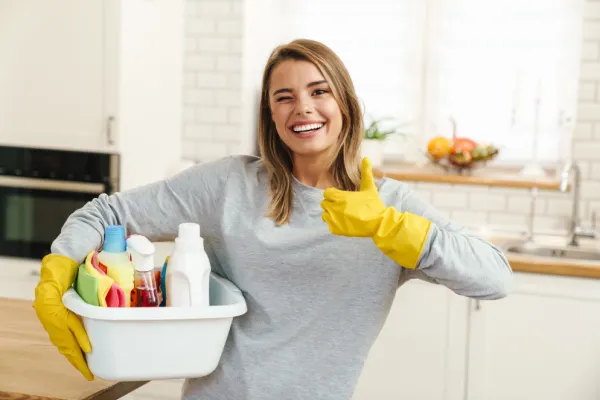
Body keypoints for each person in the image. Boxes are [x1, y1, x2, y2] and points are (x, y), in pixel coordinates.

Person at [33, 39, 513, 400]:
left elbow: (494, 277)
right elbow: (106, 212)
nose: (302, 107)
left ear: (345, 103)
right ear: (271, 115)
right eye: (284, 96)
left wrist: (391, 228)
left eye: (318, 91)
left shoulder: (387, 207)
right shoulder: (230, 185)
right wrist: (60, 265)